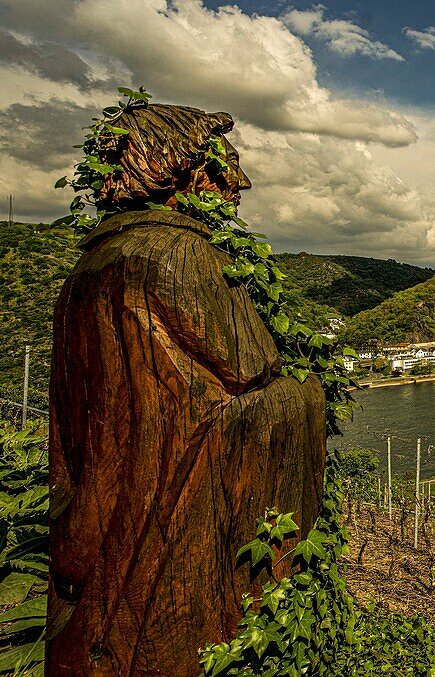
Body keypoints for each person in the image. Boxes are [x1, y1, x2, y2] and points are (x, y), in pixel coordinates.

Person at [48, 103, 326, 675]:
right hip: (173, 521)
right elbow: (253, 373)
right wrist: (307, 394)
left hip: (108, 513)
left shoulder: (86, 271)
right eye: (225, 166)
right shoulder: (181, 256)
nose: (240, 182)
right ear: (180, 171)